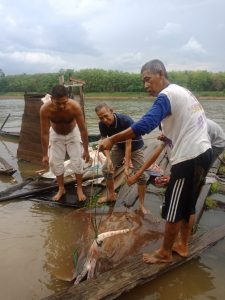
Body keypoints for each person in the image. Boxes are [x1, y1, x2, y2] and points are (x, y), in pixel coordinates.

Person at [99, 59, 212, 264]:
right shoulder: (183, 92)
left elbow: (145, 125)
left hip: (188, 157)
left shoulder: (166, 95)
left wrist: (112, 139)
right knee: (189, 205)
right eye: (143, 81)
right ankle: (182, 245)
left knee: (172, 205)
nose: (145, 86)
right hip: (204, 153)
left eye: (148, 79)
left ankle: (164, 252)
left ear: (161, 74)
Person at [95, 103, 148, 214]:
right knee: (106, 169)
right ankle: (111, 195)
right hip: (118, 146)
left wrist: (126, 167)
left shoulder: (125, 121)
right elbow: (105, 143)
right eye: (101, 118)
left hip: (135, 147)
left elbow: (128, 146)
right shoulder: (102, 124)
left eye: (106, 116)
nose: (104, 120)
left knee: (142, 176)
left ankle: (142, 205)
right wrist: (108, 159)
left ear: (111, 111)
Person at [40, 84, 90, 201]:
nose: (62, 106)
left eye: (64, 102)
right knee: (55, 163)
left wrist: (87, 150)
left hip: (73, 133)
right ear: (52, 99)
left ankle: (79, 188)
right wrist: (44, 155)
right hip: (56, 134)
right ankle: (61, 188)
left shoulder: (74, 107)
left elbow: (83, 129)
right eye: (58, 103)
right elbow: (44, 133)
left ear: (67, 98)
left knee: (77, 161)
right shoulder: (45, 109)